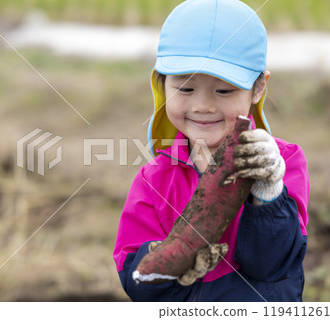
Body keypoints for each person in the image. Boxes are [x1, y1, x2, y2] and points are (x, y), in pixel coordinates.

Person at [113, 0, 309, 302]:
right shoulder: (153, 181)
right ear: (161, 84)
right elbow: (135, 281)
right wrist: (166, 258)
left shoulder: (285, 162)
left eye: (224, 90)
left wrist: (269, 193)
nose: (203, 106)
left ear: (257, 88)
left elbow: (274, 266)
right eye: (186, 89)